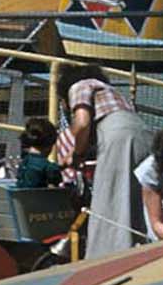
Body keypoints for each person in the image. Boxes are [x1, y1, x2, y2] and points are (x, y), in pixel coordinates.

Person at [57, 63, 150, 258]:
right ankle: (139, 247)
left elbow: (82, 123)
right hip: (142, 134)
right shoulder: (111, 91)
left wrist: (75, 154)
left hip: (117, 137)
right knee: (134, 199)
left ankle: (109, 255)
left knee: (110, 198)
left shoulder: (80, 86)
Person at [15, 117, 63, 190]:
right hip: (40, 200)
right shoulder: (48, 167)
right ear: (48, 146)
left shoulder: (24, 162)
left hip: (22, 199)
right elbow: (56, 180)